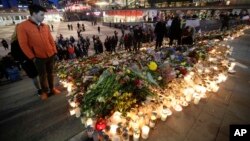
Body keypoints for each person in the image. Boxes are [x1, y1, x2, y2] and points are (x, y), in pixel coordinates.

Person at [17, 4, 60, 100]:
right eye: (41, 15)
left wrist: (54, 51)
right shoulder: (22, 26)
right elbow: (23, 44)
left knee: (50, 73)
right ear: (34, 14)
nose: (43, 17)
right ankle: (45, 91)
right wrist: (32, 57)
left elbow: (51, 40)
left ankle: (52, 88)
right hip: (38, 57)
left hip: (50, 54)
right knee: (42, 75)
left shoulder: (45, 26)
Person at [11, 24, 42, 95]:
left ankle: (39, 89)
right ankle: (40, 89)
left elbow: (14, 55)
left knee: (35, 76)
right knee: (37, 75)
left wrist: (21, 60)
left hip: (28, 61)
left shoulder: (14, 42)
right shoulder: (22, 39)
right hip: (30, 60)